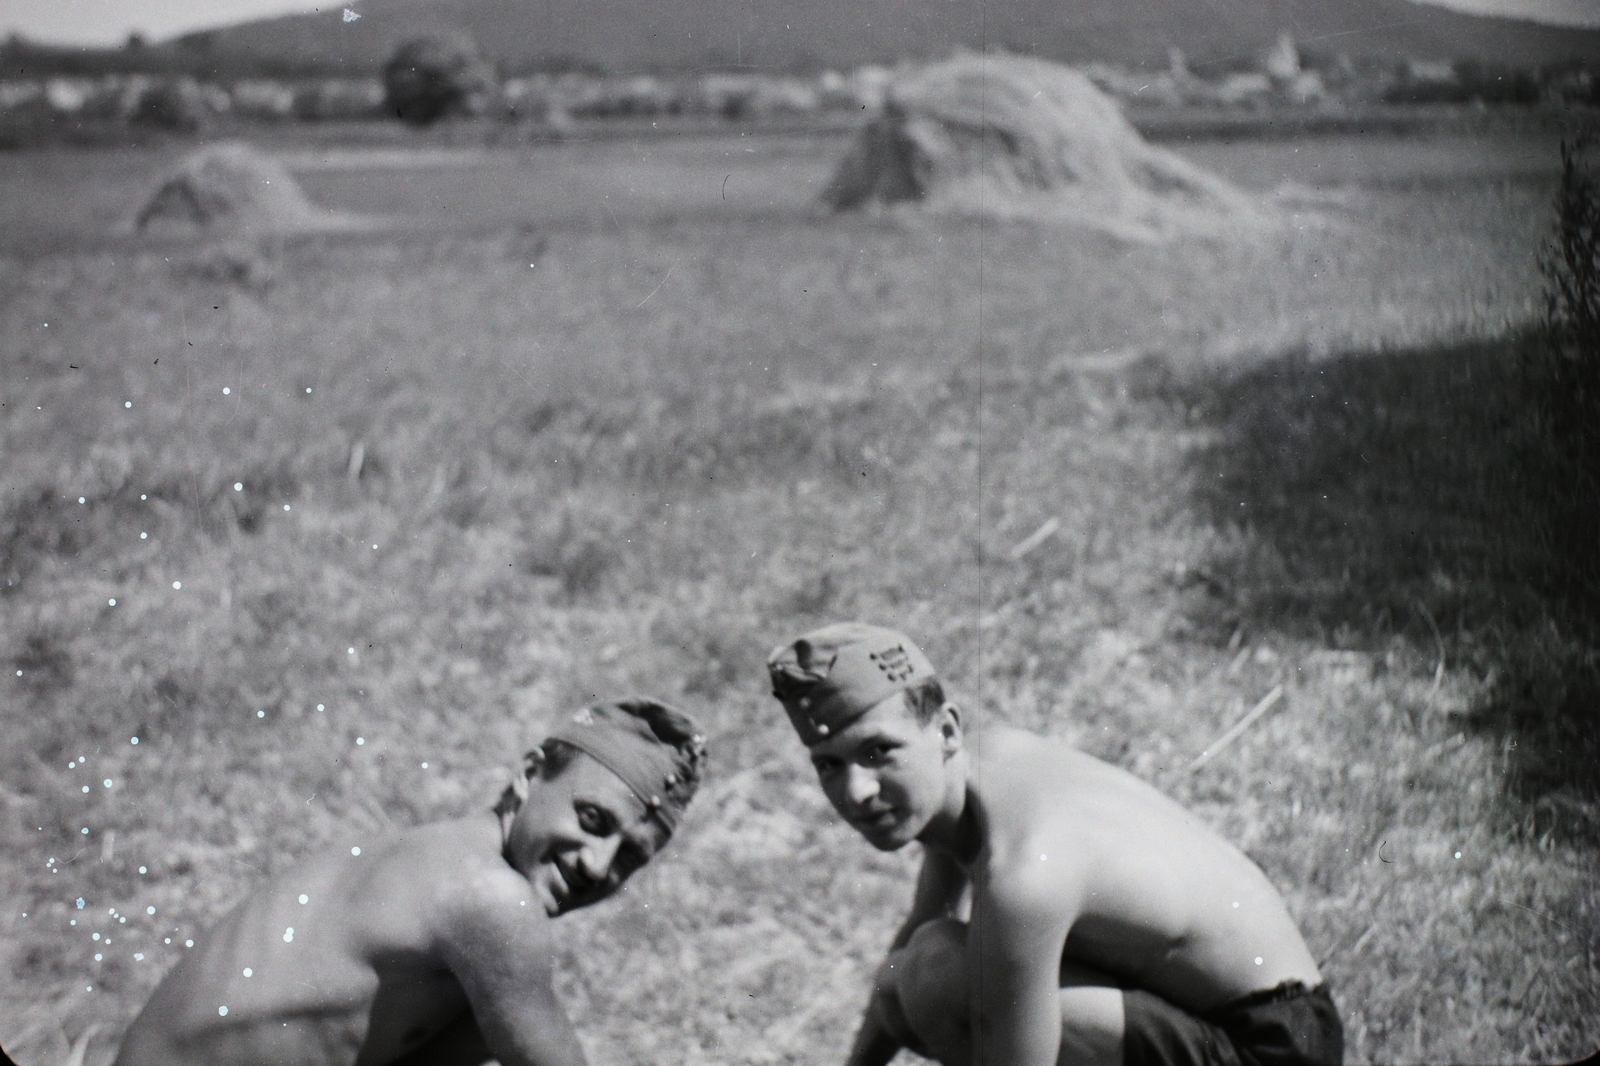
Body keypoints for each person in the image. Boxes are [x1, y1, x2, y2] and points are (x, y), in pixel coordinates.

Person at [767, 622, 1341, 1066]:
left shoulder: (1023, 871)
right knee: (907, 976)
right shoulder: (974, 771)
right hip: (1222, 1014)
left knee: (940, 977)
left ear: (945, 730)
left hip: (1275, 1047)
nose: (856, 791)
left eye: (877, 752)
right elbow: (909, 947)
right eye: (829, 765)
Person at [114, 698, 706, 1066]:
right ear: (530, 775)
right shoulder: (489, 899)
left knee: (478, 1032)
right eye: (593, 820)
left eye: (631, 855)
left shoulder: (434, 854)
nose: (599, 864)